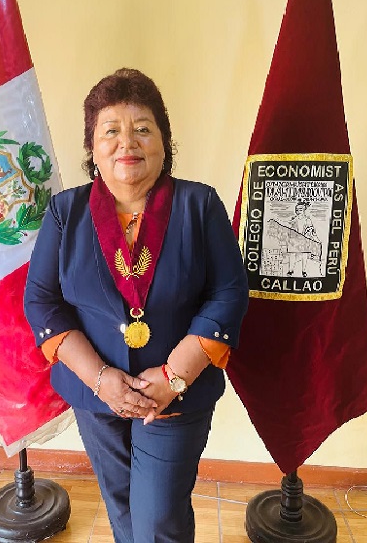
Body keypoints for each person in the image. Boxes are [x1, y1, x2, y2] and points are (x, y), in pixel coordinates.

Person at [24, 68, 249, 543]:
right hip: (96, 394)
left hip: (176, 394)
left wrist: (174, 376)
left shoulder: (199, 206)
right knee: (122, 506)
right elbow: (42, 301)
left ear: (164, 143)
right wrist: (99, 379)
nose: (127, 142)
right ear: (93, 147)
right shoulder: (65, 212)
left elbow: (229, 292)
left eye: (142, 128)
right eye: (111, 130)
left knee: (158, 520)